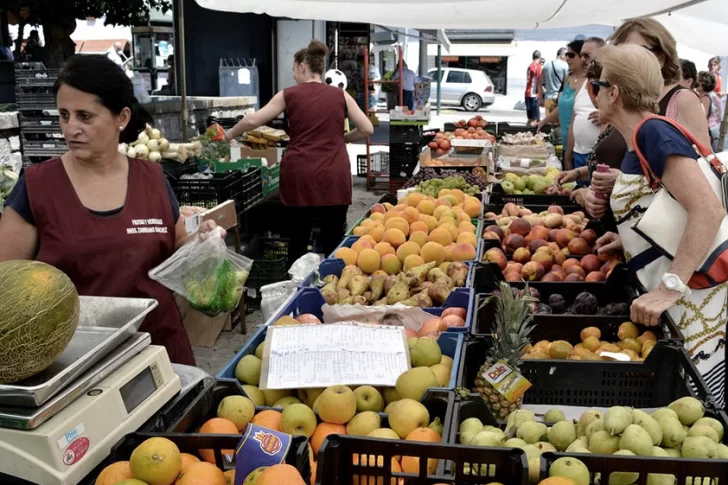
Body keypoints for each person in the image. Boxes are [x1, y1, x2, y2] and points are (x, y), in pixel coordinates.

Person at [0, 55, 220, 365]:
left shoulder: (153, 179)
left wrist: (202, 242)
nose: (70, 128)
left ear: (122, 117)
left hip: (160, 353)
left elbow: (176, 248)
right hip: (77, 364)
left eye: (84, 116)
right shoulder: (38, 187)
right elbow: (5, 286)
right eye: (64, 115)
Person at [592, 44, 727, 406]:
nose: (595, 93)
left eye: (597, 85)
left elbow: (707, 210)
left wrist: (670, 287)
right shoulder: (639, 139)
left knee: (700, 406)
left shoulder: (654, 133)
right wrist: (628, 238)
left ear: (614, 92)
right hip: (680, 289)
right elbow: (665, 206)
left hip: (692, 293)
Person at [224, 40, 374, 267]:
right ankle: (332, 284)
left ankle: (297, 291)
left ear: (303, 66)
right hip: (334, 174)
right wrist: (341, 138)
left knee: (298, 239)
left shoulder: (288, 95)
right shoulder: (340, 95)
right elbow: (367, 128)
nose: (293, 76)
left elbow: (255, 119)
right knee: (333, 239)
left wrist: (230, 134)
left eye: (294, 70)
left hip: (300, 175)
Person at [610, 19, 711, 149]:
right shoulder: (620, 95)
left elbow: (704, 159)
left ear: (661, 58)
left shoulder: (683, 100)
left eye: (638, 51)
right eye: (621, 52)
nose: (628, 58)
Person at [536, 40, 584, 167]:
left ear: (582, 57)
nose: (567, 58)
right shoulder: (568, 78)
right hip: (565, 137)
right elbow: (561, 107)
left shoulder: (588, 82)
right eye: (566, 55)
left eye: (571, 55)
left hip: (580, 142)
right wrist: (543, 121)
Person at [564, 37, 604, 170]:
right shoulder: (583, 85)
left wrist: (607, 117)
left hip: (599, 158)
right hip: (578, 155)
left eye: (587, 56)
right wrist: (568, 158)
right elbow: (573, 122)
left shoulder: (610, 85)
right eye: (581, 56)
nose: (582, 60)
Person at [696, 71, 723, 151]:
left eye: (698, 80)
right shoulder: (713, 96)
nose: (696, 82)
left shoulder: (706, 98)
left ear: (703, 83)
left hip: (711, 133)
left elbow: (701, 119)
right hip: (717, 131)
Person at [538, 48, 568, 116]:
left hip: (548, 99)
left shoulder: (546, 66)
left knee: (549, 123)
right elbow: (567, 84)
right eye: (567, 55)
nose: (568, 58)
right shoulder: (565, 66)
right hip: (560, 99)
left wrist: (541, 99)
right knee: (559, 124)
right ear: (562, 55)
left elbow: (539, 83)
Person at [525, 50, 542, 125]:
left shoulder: (530, 66)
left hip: (527, 93)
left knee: (530, 118)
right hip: (534, 94)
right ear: (540, 57)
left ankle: (526, 132)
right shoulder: (537, 67)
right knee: (535, 119)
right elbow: (540, 81)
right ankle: (533, 134)